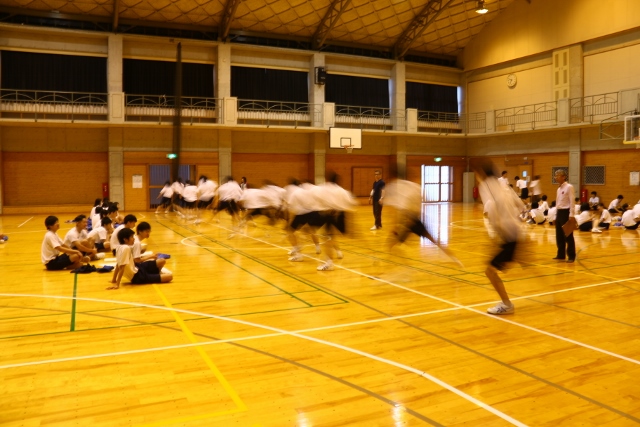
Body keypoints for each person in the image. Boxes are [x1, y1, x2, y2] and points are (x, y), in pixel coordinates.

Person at [476, 162, 524, 315]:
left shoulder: (485, 186)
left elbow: (491, 208)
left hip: (508, 236)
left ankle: (507, 304)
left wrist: (494, 236)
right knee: (494, 268)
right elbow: (520, 205)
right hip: (516, 233)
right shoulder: (503, 186)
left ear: (481, 174)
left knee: (490, 271)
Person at [107, 228, 172, 290]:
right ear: (125, 239)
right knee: (170, 277)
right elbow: (121, 267)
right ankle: (154, 274)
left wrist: (114, 279)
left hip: (137, 267)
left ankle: (154, 273)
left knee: (162, 261)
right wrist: (117, 284)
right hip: (137, 276)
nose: (134, 239)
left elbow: (118, 264)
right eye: (132, 237)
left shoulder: (118, 247)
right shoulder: (126, 248)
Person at [553, 169, 576, 263]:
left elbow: (572, 201)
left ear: (564, 177)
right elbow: (557, 203)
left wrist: (571, 214)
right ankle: (561, 254)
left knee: (568, 234)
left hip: (566, 212)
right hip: (559, 212)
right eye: (555, 176)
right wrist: (555, 216)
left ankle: (571, 256)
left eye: (558, 175)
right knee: (559, 235)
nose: (556, 177)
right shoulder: (558, 189)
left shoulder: (569, 187)